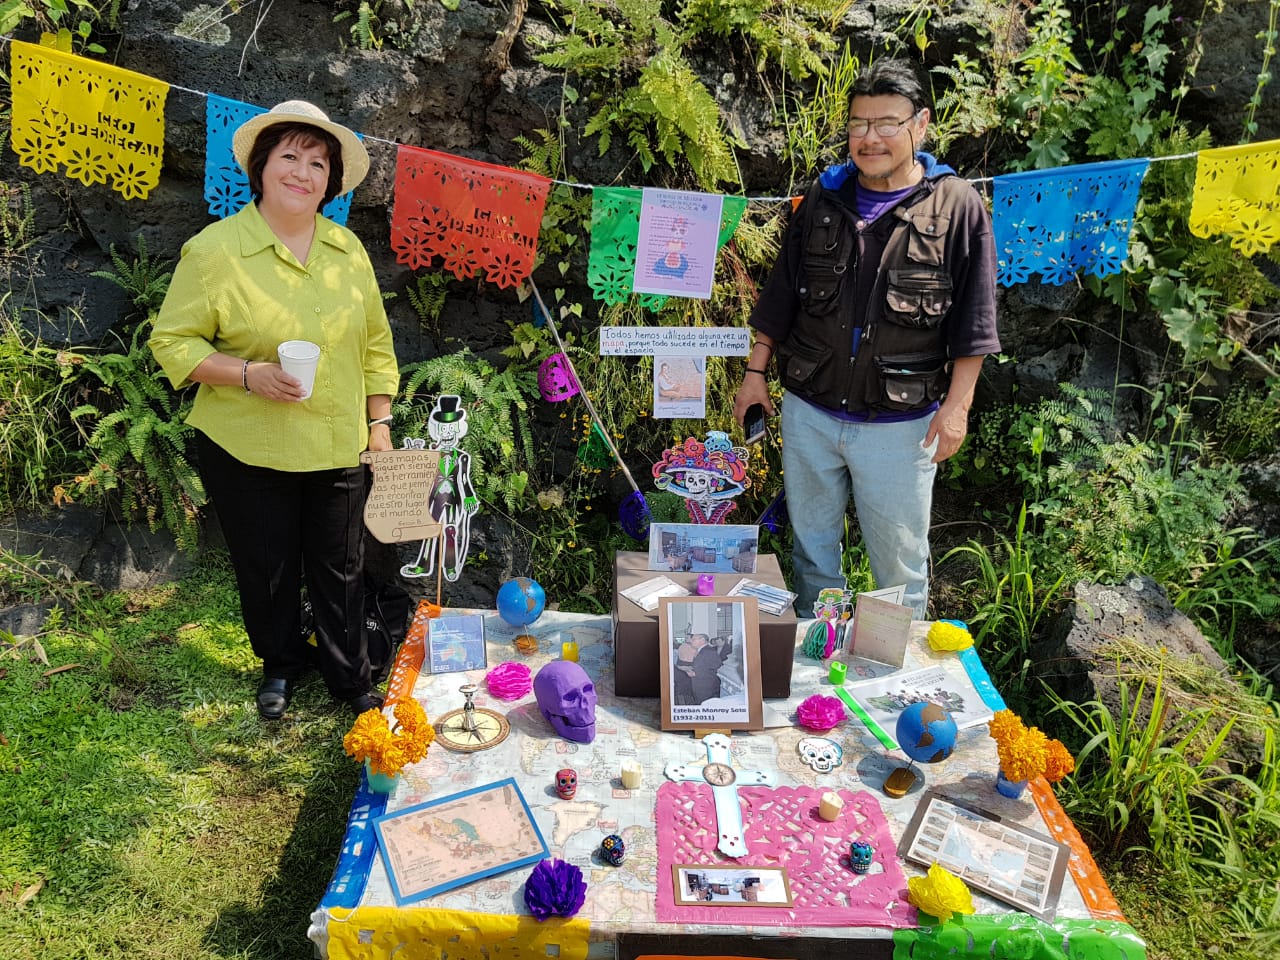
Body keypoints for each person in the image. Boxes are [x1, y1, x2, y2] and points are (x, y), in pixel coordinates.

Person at [150, 100, 399, 720]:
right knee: (266, 568)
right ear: (261, 168)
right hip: (245, 442)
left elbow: (376, 345)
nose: (303, 172)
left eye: (318, 162)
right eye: (289, 156)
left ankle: (350, 677)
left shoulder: (347, 251)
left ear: (331, 182)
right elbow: (173, 342)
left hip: (339, 440)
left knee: (341, 565)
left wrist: (380, 423)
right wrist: (246, 374)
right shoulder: (215, 251)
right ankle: (280, 664)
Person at [733, 59, 999, 619]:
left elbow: (975, 321)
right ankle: (816, 680)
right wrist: (755, 375)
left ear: (919, 125)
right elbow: (781, 296)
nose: (870, 137)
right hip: (810, 409)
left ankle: (891, 684)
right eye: (858, 124)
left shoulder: (957, 208)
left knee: (899, 568)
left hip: (901, 425)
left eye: (886, 123)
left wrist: (958, 408)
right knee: (812, 558)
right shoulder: (823, 200)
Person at [687, 633, 723, 703]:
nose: (691, 641)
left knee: (704, 705)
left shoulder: (709, 651)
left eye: (693, 639)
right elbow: (704, 666)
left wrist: (696, 673)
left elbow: (716, 666)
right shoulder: (702, 650)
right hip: (701, 685)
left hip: (706, 687)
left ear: (702, 640)